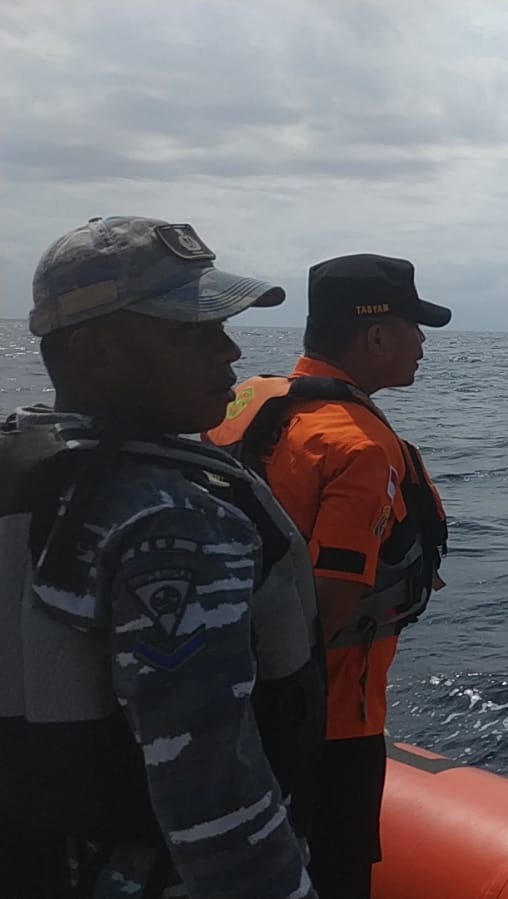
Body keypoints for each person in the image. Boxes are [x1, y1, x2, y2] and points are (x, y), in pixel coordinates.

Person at [0, 217, 323, 897]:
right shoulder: (179, 522)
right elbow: (214, 803)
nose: (230, 352)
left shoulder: (22, 473)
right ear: (98, 349)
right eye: (194, 331)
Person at [204, 253, 451, 898]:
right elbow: (326, 613)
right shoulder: (361, 448)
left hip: (226, 706)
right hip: (330, 727)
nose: (423, 342)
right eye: (414, 326)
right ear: (375, 336)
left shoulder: (241, 401)